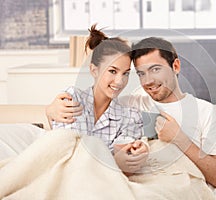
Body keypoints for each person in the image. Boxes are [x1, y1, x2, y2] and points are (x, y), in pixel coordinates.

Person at [46, 37, 216, 199]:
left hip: (181, 189)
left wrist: (179, 139)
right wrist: (50, 110)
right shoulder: (129, 105)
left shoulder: (204, 111)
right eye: (141, 73)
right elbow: (94, 104)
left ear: (175, 66)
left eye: (155, 69)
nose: (148, 81)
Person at [49, 24, 149, 175]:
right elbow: (69, 155)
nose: (119, 81)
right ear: (94, 70)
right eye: (112, 71)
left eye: (126, 73)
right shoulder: (72, 99)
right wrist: (114, 160)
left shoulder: (131, 116)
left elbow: (125, 162)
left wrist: (132, 157)